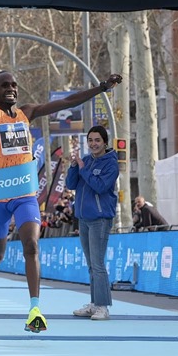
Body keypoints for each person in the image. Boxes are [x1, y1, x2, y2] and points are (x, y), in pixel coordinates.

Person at [0, 57, 122, 332]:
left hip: (25, 195)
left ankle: (35, 309)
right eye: (4, 85)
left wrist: (101, 88)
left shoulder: (27, 112)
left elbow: (67, 103)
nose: (11, 89)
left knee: (31, 246)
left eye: (14, 85)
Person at [66, 125, 120, 321]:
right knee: (91, 265)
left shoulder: (111, 164)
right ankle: (94, 303)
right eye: (90, 140)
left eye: (97, 140)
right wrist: (74, 166)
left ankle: (103, 306)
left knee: (98, 265)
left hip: (100, 218)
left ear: (105, 142)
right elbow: (71, 185)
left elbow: (100, 186)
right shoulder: (86, 161)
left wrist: (83, 169)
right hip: (84, 218)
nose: (93, 144)